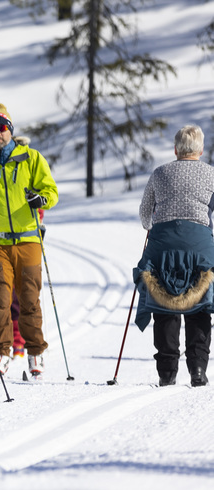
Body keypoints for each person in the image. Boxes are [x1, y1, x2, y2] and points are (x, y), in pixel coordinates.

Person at [0, 103, 58, 377]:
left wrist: (42, 199)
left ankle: (35, 353)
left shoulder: (31, 158)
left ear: (10, 131)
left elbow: (51, 190)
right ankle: (1, 353)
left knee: (29, 300)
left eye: (1, 128)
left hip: (28, 240)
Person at [134, 125, 214, 387]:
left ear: (176, 149)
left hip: (163, 247)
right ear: (201, 150)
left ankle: (167, 373)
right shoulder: (211, 174)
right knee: (199, 307)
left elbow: (145, 213)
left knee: (165, 306)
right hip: (199, 246)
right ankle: (198, 369)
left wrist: (151, 225)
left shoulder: (160, 173)